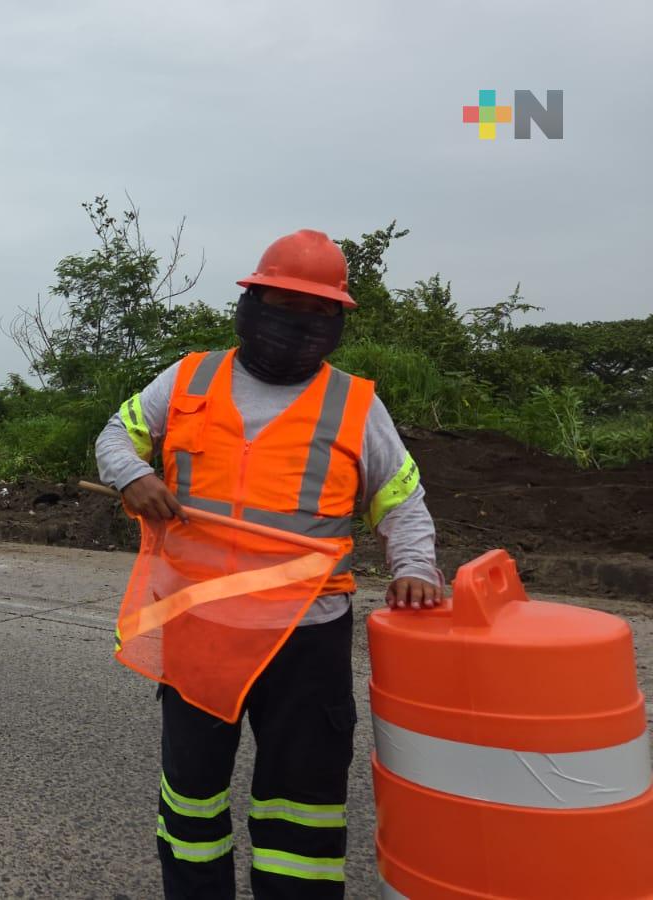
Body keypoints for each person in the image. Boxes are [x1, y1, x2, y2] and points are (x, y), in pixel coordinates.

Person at [95, 229, 443, 899]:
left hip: (307, 637)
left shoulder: (355, 404)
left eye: (318, 313)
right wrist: (130, 475)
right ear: (252, 303)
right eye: (285, 306)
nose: (300, 325)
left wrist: (417, 567)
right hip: (202, 627)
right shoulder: (190, 376)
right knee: (192, 799)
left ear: (338, 322)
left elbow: (402, 498)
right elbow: (117, 434)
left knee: (302, 803)